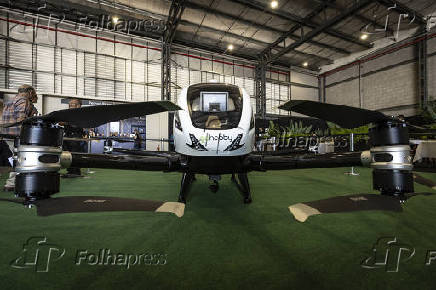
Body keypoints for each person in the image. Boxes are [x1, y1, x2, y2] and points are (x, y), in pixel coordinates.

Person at [2, 84, 38, 191]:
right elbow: (21, 118)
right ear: (30, 92)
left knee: (16, 157)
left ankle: (13, 182)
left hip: (7, 135)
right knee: (20, 158)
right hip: (18, 135)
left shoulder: (10, 101)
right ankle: (11, 183)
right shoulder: (24, 101)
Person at [62, 98, 86, 178]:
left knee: (74, 154)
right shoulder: (68, 113)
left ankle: (76, 172)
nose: (71, 105)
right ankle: (70, 171)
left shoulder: (80, 114)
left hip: (75, 137)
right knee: (68, 154)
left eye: (73, 104)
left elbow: (77, 124)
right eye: (70, 104)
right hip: (68, 136)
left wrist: (66, 122)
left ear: (78, 105)